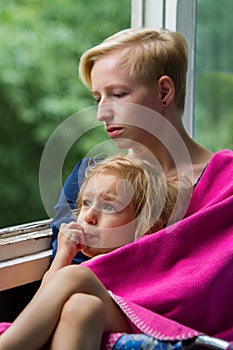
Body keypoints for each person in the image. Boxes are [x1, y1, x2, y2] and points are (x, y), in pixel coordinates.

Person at [47, 27, 233, 346]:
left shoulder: (226, 184)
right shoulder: (89, 180)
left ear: (163, 93)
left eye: (118, 94)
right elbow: (68, 278)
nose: (102, 112)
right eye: (97, 98)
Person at [0, 154, 184, 350]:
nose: (89, 217)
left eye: (108, 206)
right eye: (86, 203)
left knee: (76, 276)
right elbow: (39, 307)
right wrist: (63, 255)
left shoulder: (150, 262)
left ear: (147, 228)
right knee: (82, 307)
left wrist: (70, 270)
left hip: (139, 320)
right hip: (101, 312)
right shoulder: (85, 271)